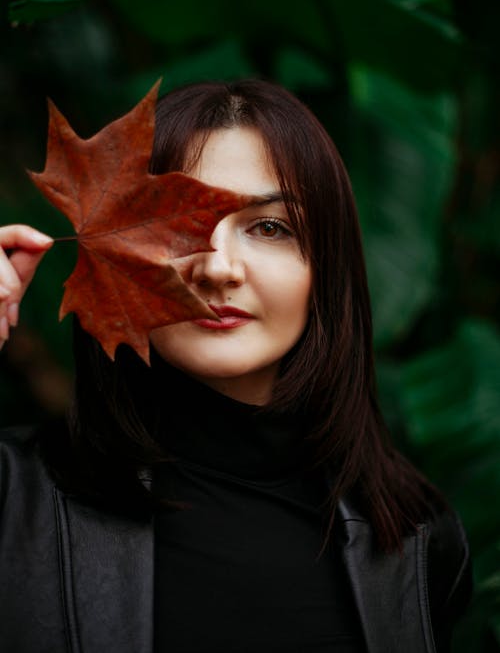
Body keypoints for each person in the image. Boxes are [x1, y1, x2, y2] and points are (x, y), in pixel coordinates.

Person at [0, 80, 471, 652]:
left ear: (326, 271)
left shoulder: (417, 543)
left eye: (269, 227)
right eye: (174, 224)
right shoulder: (13, 503)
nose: (218, 268)